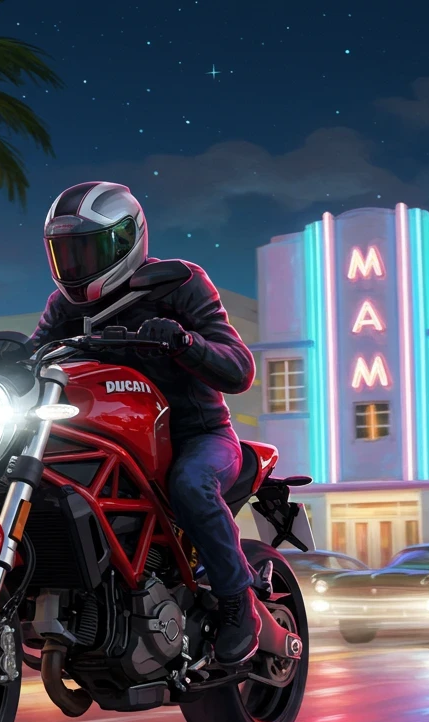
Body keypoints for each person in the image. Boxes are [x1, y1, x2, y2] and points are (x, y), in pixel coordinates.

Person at [28, 181, 261, 663]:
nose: (76, 265)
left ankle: (240, 603)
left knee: (192, 485)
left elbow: (239, 368)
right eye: (67, 253)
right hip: (110, 436)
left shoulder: (179, 283)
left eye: (89, 250)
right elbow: (32, 353)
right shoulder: (64, 307)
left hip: (197, 437)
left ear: (127, 239)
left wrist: (183, 342)